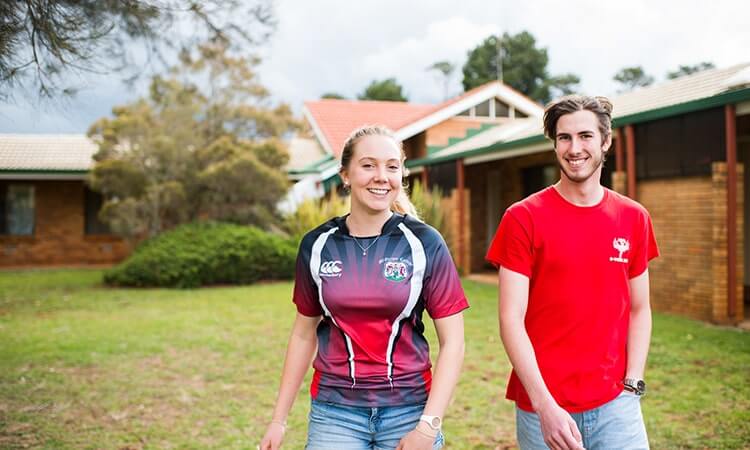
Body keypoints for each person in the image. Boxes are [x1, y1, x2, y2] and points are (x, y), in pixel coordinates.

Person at [260, 125, 468, 450]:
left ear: (402, 174)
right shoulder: (316, 245)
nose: (381, 176)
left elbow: (453, 342)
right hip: (334, 412)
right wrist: (278, 420)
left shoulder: (425, 243)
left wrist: (428, 427)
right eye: (368, 165)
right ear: (345, 174)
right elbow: (303, 334)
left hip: (409, 410)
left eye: (391, 166)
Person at [486, 95, 659, 450]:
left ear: (605, 141)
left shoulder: (634, 217)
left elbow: (640, 308)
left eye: (585, 136)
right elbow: (510, 319)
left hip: (617, 406)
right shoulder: (523, 218)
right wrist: (544, 405)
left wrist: (633, 384)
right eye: (564, 138)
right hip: (543, 408)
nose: (574, 148)